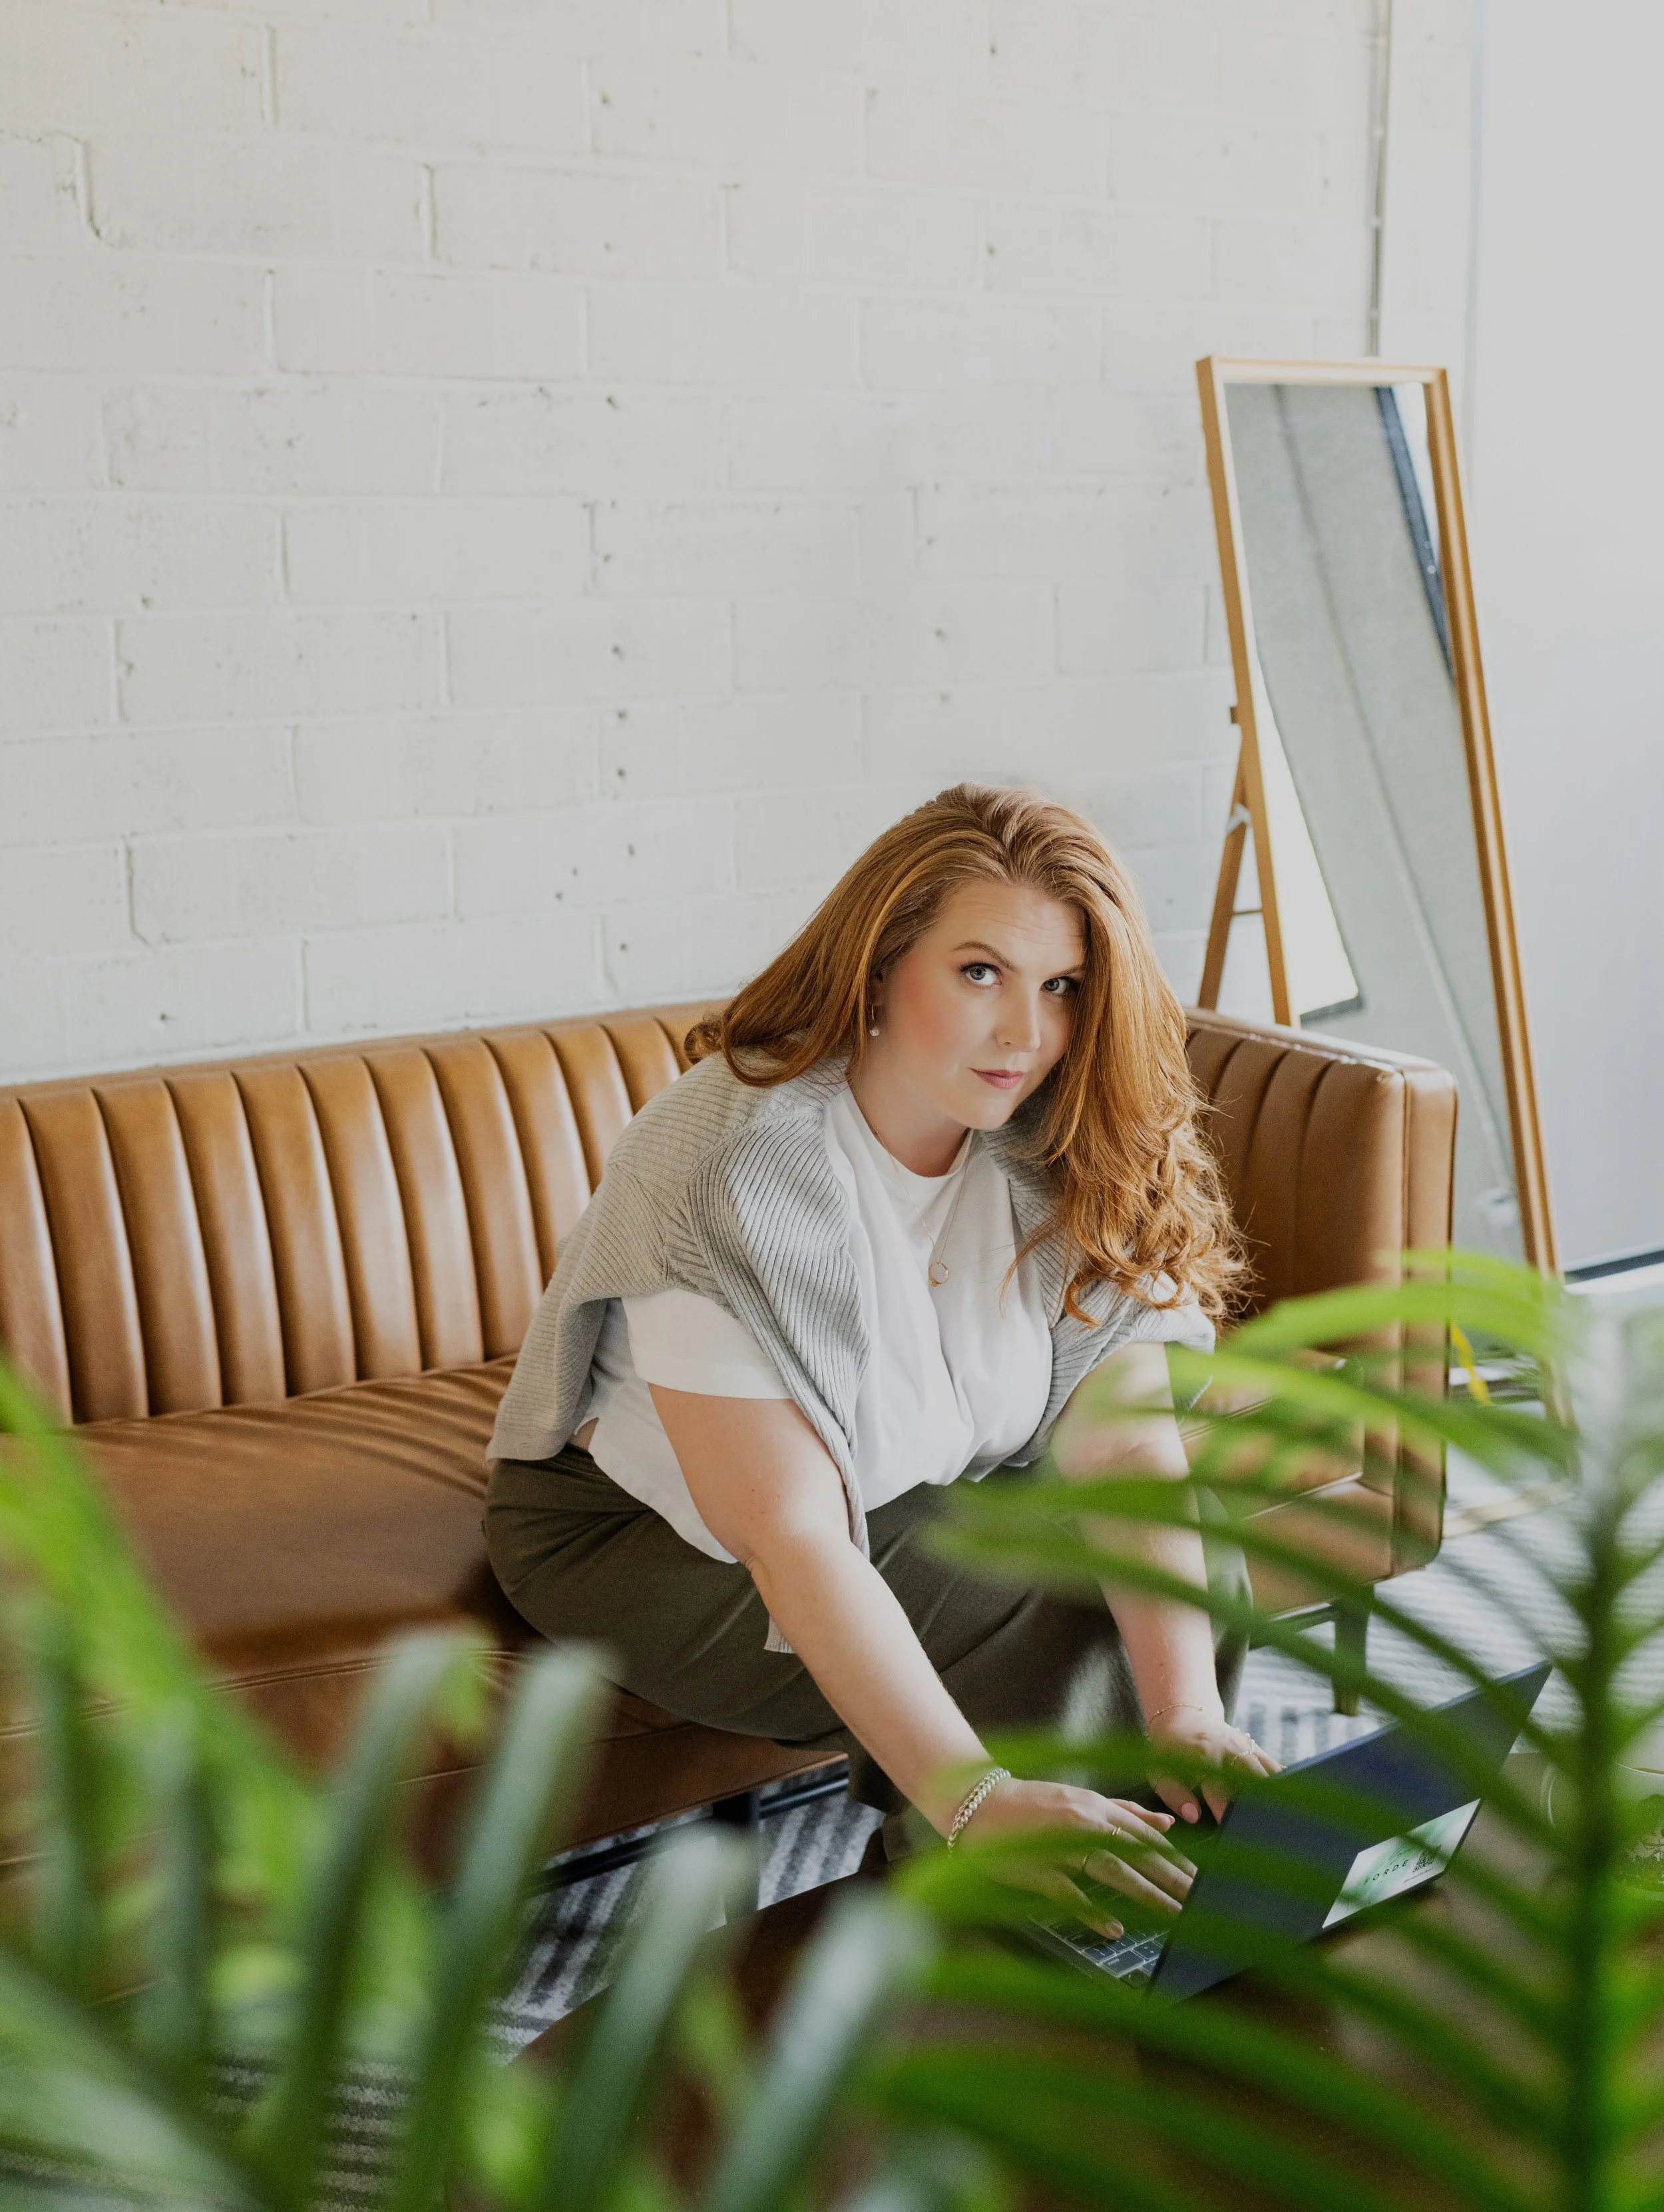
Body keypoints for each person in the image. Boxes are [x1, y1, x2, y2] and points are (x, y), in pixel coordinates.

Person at [486, 783, 1276, 1932]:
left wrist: (1186, 1710)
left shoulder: (1053, 1127)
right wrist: (974, 1797)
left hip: (902, 1484)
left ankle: (1161, 1901)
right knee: (1037, 1612)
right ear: (879, 963)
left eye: (1061, 987)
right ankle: (947, 1944)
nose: (1025, 1032)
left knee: (1182, 1580)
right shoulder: (733, 1163)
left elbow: (1129, 1430)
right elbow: (792, 1530)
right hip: (639, 1533)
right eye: (979, 972)